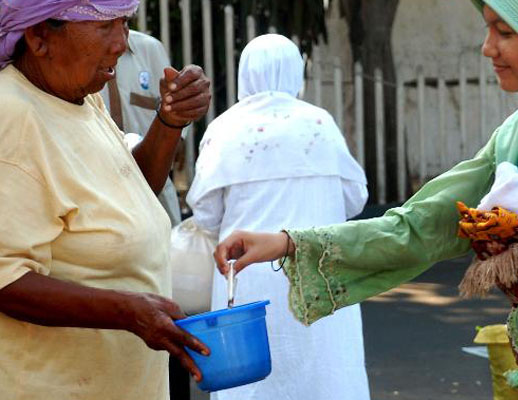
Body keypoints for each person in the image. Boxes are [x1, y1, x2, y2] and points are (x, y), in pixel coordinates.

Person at [214, 2, 518, 400]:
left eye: (505, 32)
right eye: (488, 30)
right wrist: (288, 242)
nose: (487, 48)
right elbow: (424, 223)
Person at [0, 1, 212, 399]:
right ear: (40, 37)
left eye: (124, 23)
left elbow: (128, 193)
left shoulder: (81, 98)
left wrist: (169, 121)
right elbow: (5, 279)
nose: (121, 43)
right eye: (104, 27)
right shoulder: (12, 117)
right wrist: (127, 312)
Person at [187, 34, 371, 400]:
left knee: (253, 381)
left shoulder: (224, 129)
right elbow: (356, 199)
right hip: (319, 277)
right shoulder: (319, 124)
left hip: (248, 279)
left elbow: (206, 215)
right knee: (325, 372)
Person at [100, 29, 188, 226]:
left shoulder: (150, 49)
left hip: (152, 179)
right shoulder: (83, 52)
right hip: (101, 180)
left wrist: (177, 138)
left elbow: (173, 101)